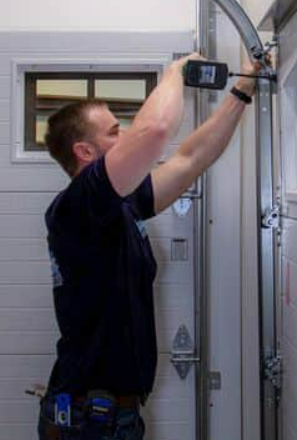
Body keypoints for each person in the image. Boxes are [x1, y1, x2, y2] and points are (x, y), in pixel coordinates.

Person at [37, 53, 265, 440]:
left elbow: (190, 159)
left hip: (111, 418)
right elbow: (155, 130)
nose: (124, 135)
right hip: (87, 422)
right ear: (85, 153)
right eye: (113, 131)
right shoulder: (77, 207)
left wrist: (242, 91)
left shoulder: (120, 205)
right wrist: (175, 71)